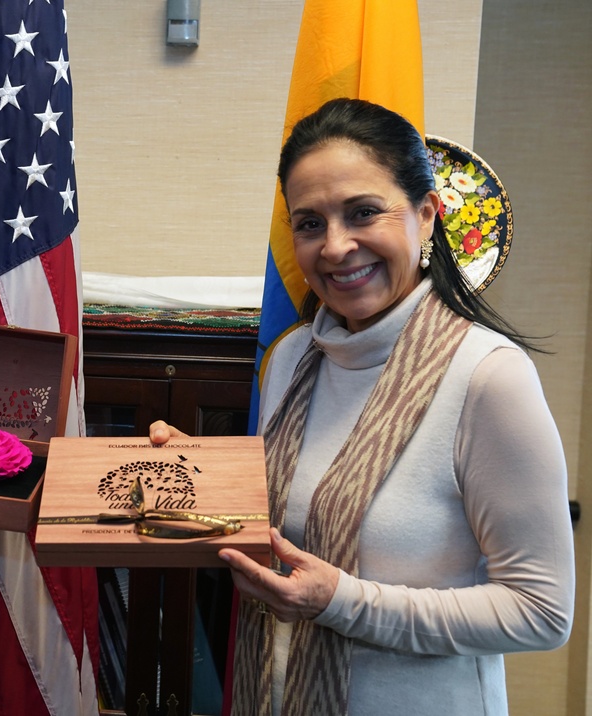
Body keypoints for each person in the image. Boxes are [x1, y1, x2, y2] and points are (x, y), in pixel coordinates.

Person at [151, 98, 574, 715]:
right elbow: (285, 521)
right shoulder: (295, 356)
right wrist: (192, 476)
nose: (336, 246)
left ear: (426, 216)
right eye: (310, 223)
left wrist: (342, 601)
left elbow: (541, 612)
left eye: (363, 212)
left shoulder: (489, 376)